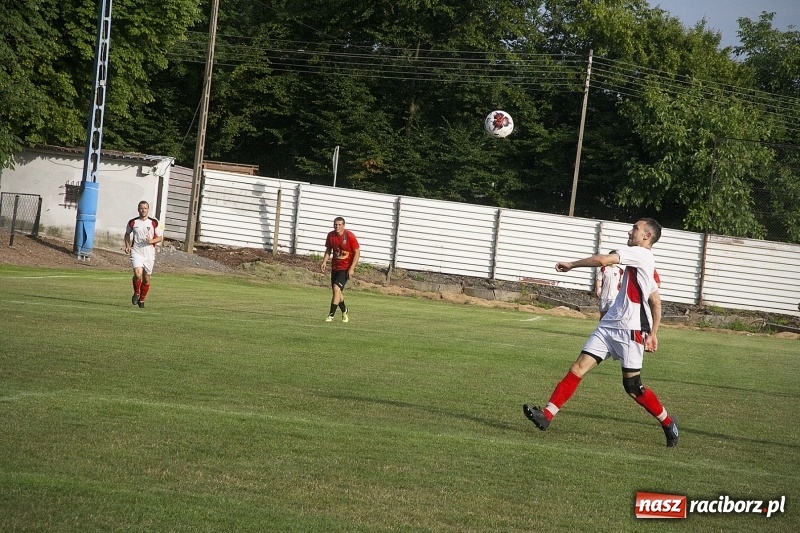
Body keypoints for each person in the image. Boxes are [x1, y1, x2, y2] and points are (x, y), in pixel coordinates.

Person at [523, 218, 679, 447]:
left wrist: (571, 264)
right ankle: (546, 415)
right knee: (578, 368)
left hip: (630, 330)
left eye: (635, 228)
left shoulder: (641, 254)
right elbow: (655, 301)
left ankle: (667, 422)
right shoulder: (642, 262)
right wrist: (655, 332)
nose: (630, 230)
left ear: (646, 236)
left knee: (633, 387)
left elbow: (602, 260)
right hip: (608, 326)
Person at [124, 200, 164, 308]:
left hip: (149, 253)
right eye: (141, 208)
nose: (143, 210)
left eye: (145, 208)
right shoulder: (133, 222)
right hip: (137, 251)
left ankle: (141, 300)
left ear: (148, 209)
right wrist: (128, 246)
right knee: (138, 274)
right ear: (138, 209)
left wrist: (151, 241)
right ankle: (136, 292)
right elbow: (127, 234)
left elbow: (160, 237)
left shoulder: (154, 222)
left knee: (146, 279)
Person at [320, 217, 360, 322]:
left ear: (343, 225)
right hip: (335, 267)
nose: (337, 226)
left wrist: (352, 268)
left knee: (336, 288)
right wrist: (324, 261)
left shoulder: (349, 236)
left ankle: (331, 315)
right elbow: (328, 249)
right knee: (336, 292)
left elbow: (357, 252)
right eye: (335, 224)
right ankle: (344, 310)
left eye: (339, 225)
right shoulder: (331, 235)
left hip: (345, 268)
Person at [595, 250, 624, 319]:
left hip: (614, 295)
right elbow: (598, 280)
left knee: (610, 314)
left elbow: (622, 283)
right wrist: (597, 290)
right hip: (604, 295)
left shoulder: (619, 270)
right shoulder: (604, 269)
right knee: (602, 315)